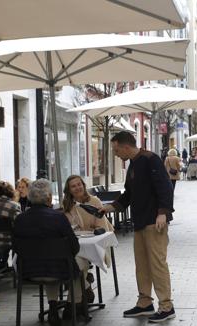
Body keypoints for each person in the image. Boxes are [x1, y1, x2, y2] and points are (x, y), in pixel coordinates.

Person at [101, 131, 175, 323]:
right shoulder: (133, 164)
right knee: (142, 265)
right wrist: (110, 207)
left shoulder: (151, 160)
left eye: (116, 149)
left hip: (154, 222)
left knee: (157, 264)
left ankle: (166, 306)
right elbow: (129, 194)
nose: (115, 154)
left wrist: (163, 213)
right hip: (140, 222)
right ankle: (145, 303)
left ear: (125, 146)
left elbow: (165, 187)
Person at [13, 179, 80, 326]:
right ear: (49, 197)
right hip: (59, 270)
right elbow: (74, 247)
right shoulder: (59, 218)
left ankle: (53, 308)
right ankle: (70, 307)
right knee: (67, 266)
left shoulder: (20, 219)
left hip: (28, 271)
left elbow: (16, 247)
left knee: (51, 264)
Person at [62, 175, 114, 303]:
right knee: (72, 260)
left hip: (96, 243)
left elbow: (100, 227)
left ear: (83, 185)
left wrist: (86, 229)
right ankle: (85, 286)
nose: (77, 188)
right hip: (76, 242)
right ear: (69, 190)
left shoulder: (94, 201)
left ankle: (73, 303)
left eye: (79, 184)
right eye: (73, 186)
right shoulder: (67, 205)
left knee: (77, 260)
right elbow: (67, 226)